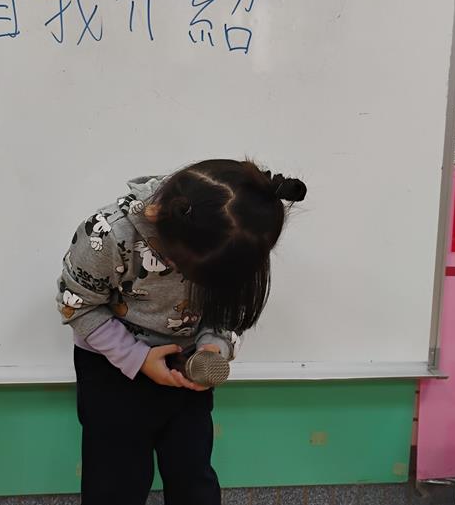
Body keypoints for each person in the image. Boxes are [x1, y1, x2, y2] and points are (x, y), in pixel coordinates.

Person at [56, 159, 307, 505]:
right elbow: (78, 305)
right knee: (115, 482)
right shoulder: (107, 235)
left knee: (193, 478)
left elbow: (226, 311)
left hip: (185, 365)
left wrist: (212, 348)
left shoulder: (232, 237)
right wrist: (137, 357)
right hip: (111, 367)